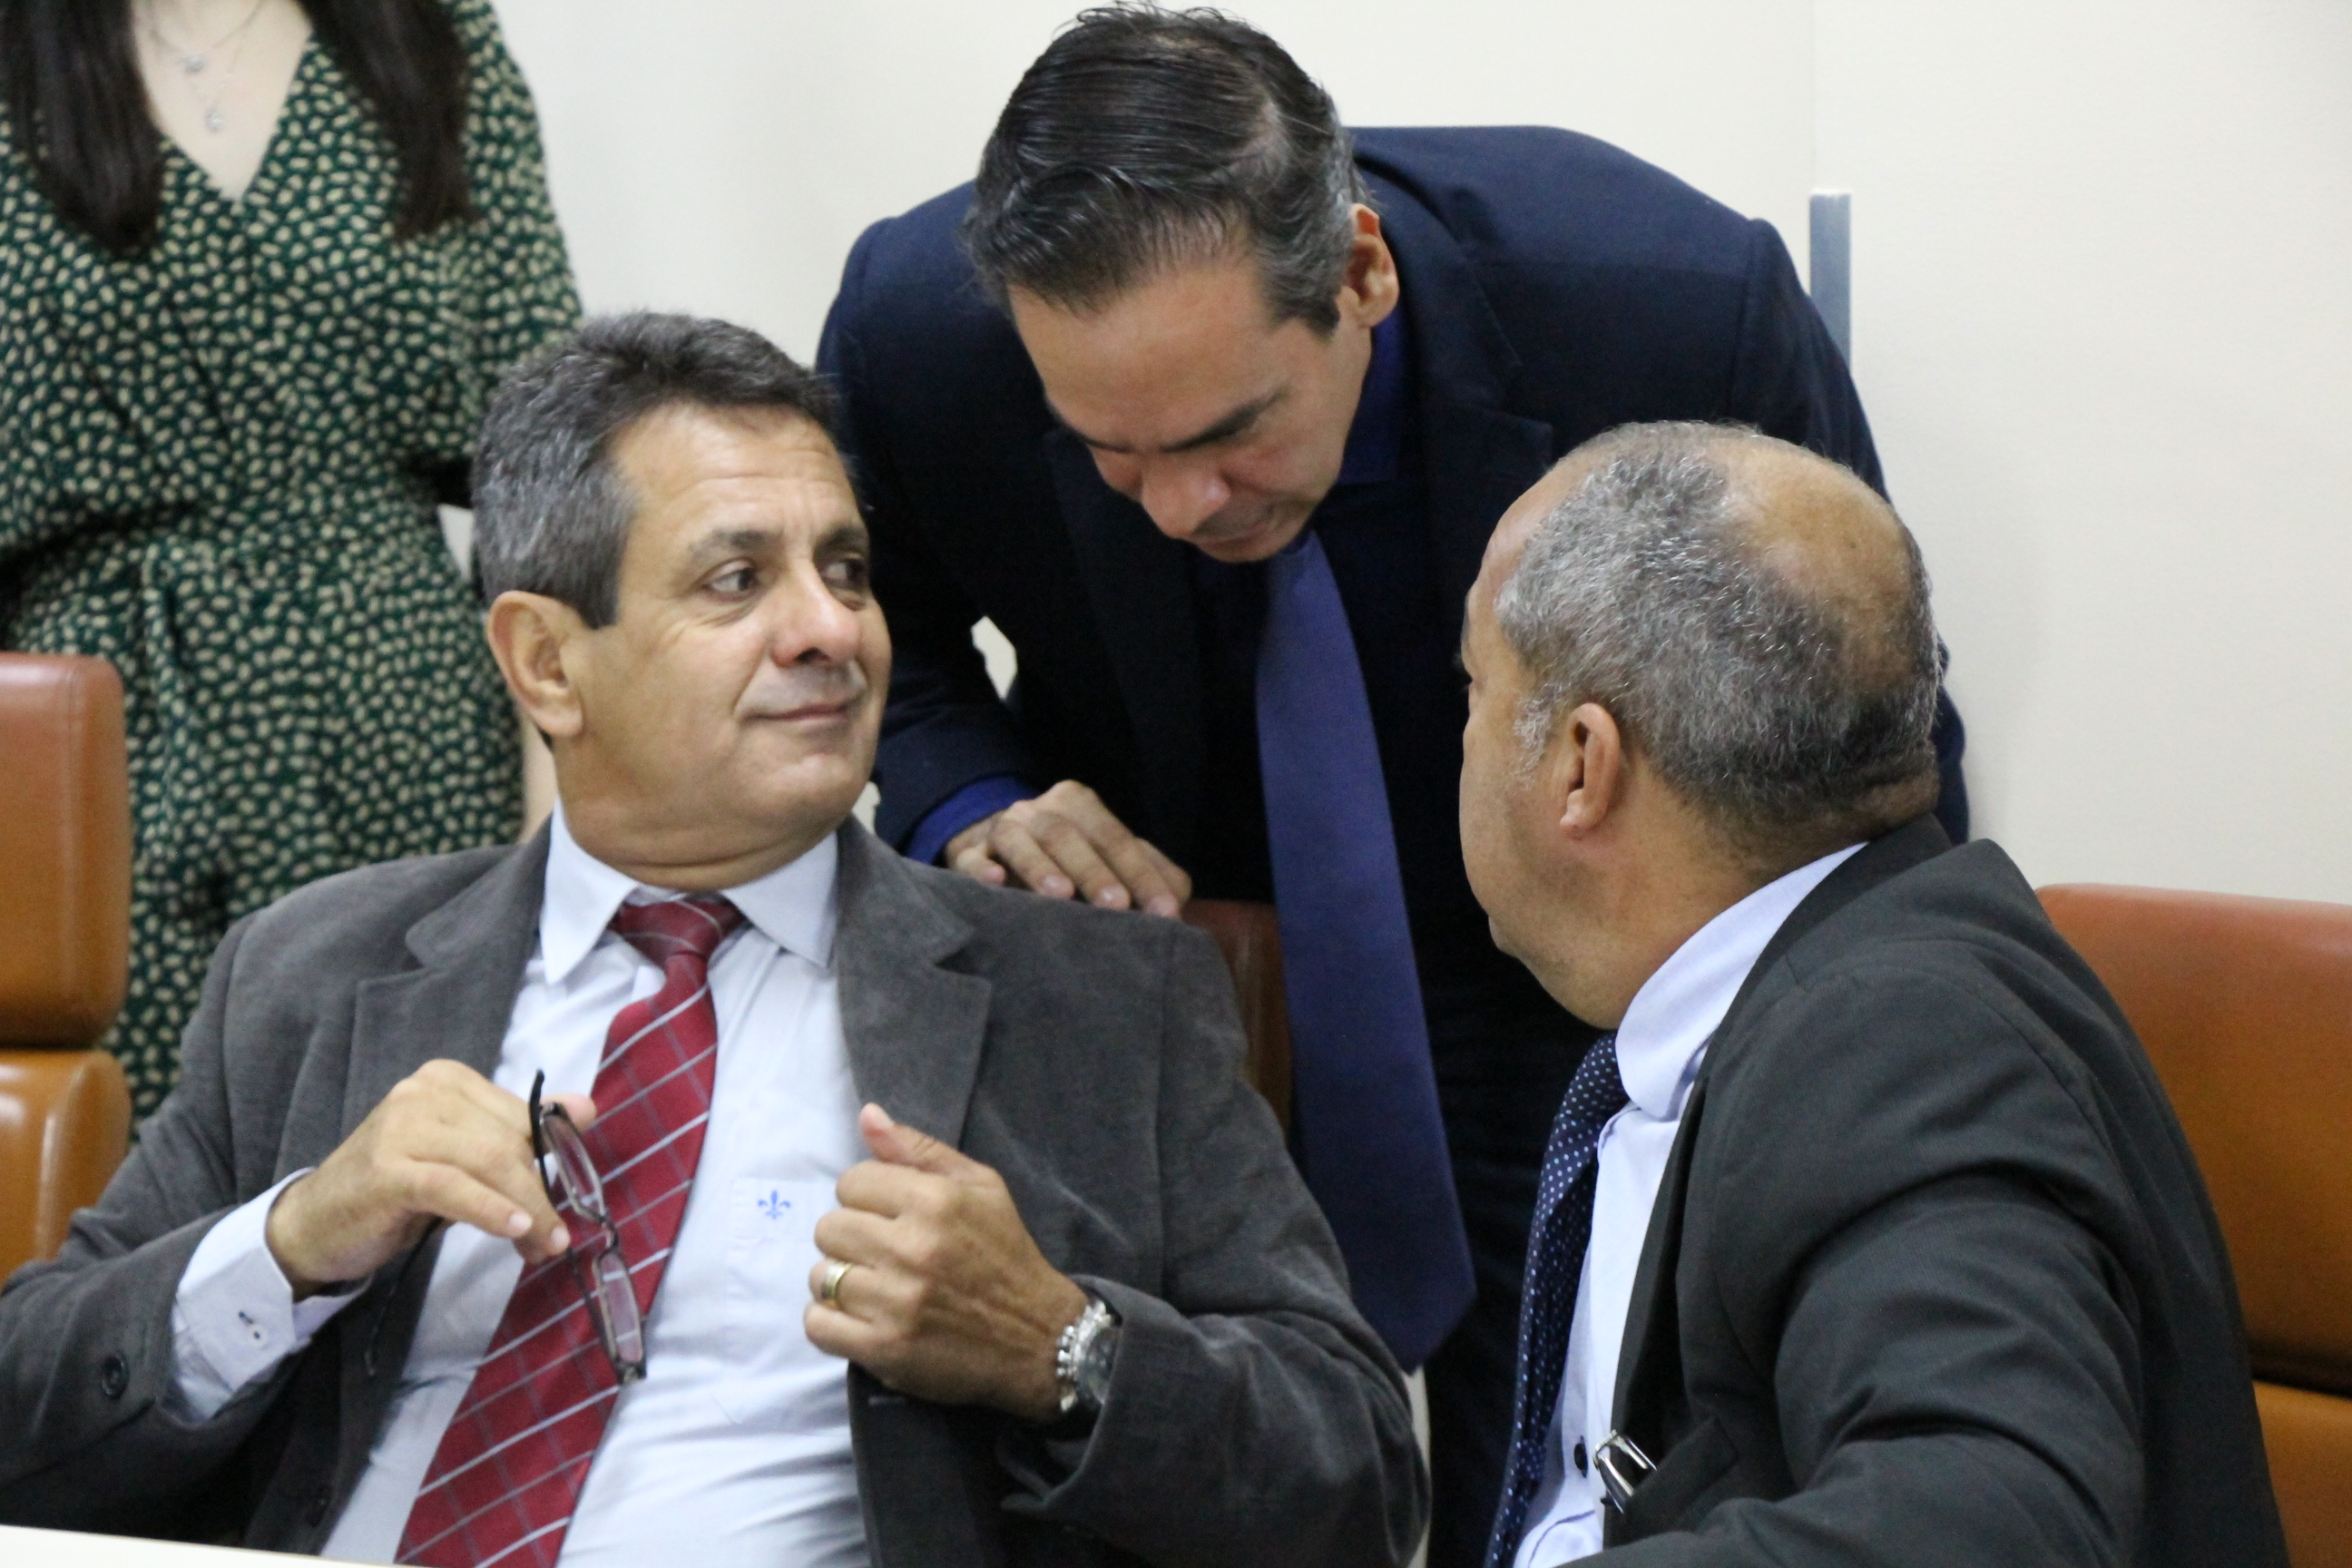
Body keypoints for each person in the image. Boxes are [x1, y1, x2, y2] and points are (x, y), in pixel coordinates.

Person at [0, 313, 1425, 1568]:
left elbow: (1358, 1483)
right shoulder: (314, 971)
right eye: (738, 580)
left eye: (847, 570)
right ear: (547, 662)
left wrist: (1056, 1343)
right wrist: (292, 1243)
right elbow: (25, 1411)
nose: (831, 631)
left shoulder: (1100, 997)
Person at [814, 8, 1965, 1557]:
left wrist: (1850, 1086)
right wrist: (972, 802)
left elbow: (1863, 749)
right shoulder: (919, 330)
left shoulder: (1664, 310)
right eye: (1110, 453)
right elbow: (880, 635)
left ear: (1360, 273)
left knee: (1571, 1493)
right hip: (1187, 990)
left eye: (1231, 434)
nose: (1178, 505)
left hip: (1584, 994)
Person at [1457, 422, 2283, 1565]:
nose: (1461, 734)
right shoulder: (1798, 998)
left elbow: (1997, 1521)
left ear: (1581, 764)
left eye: (1474, 686)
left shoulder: (1902, 1048)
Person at [0, 0, 580, 1117]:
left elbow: (545, 453)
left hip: (405, 725)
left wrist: (559, 792)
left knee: (421, 1153)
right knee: (128, 1170)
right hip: (99, 754)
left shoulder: (430, 34)